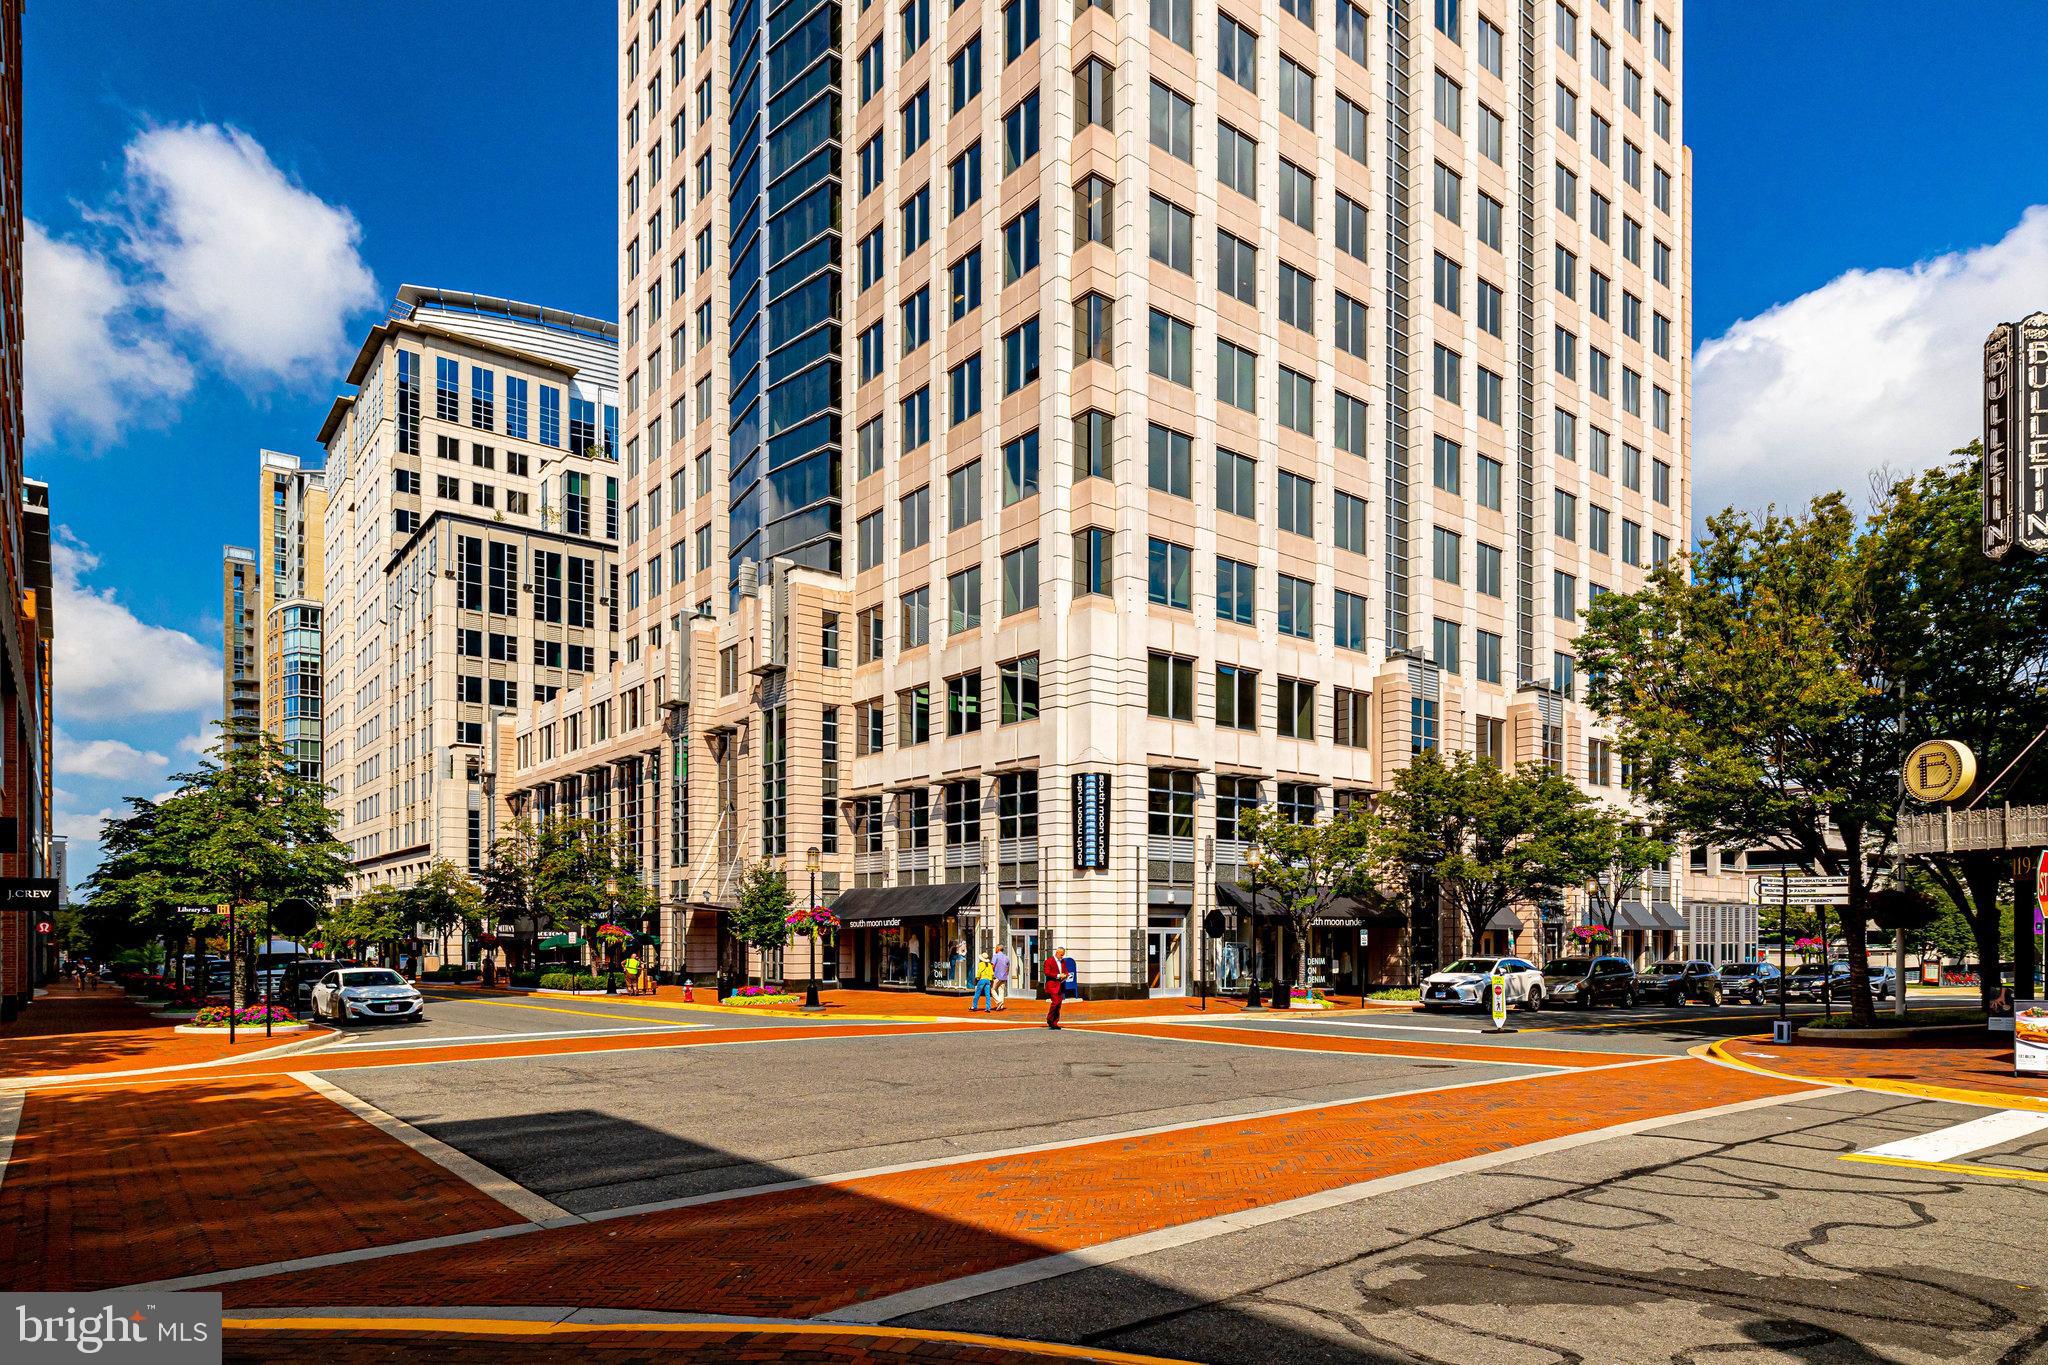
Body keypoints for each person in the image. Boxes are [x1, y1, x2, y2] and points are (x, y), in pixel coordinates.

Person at [1044, 946, 1066, 1029]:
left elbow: (1065, 970)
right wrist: (1058, 975)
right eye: (1061, 955)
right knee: (1055, 1002)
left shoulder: (1062, 961)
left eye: (1063, 955)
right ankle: (1050, 1019)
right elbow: (1047, 972)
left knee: (1059, 1004)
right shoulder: (1049, 961)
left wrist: (1065, 975)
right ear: (1057, 953)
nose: (1062, 956)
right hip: (1052, 985)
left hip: (1060, 985)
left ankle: (1055, 1022)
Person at [991, 946, 1011, 1011]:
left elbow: (992, 966)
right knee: (1001, 990)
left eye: (996, 948)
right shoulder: (1006, 957)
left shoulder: (995, 956)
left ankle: (999, 1002)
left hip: (997, 976)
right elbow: (1008, 967)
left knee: (992, 989)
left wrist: (991, 974)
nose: (995, 949)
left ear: (998, 949)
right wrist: (1006, 974)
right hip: (1004, 976)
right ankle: (1001, 1006)